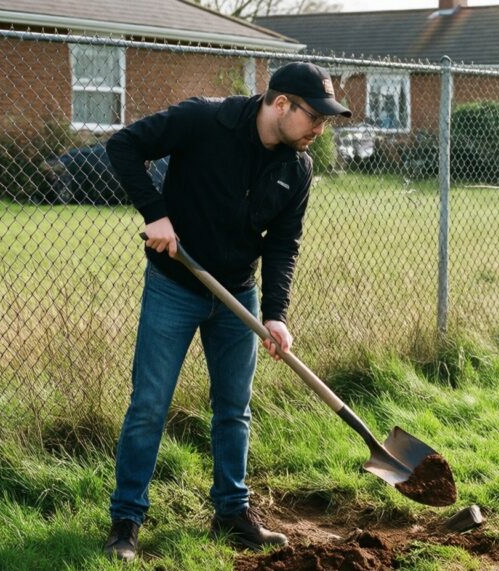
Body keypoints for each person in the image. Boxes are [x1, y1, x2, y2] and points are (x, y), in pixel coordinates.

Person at [102, 61, 351, 562]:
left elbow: (284, 244)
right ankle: (127, 520)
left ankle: (231, 513)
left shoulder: (297, 168)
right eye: (315, 117)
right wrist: (156, 213)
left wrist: (276, 314)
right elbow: (123, 146)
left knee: (234, 409)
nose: (321, 129)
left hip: (239, 295)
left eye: (327, 120)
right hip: (176, 284)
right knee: (150, 405)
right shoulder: (204, 120)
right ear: (280, 103)